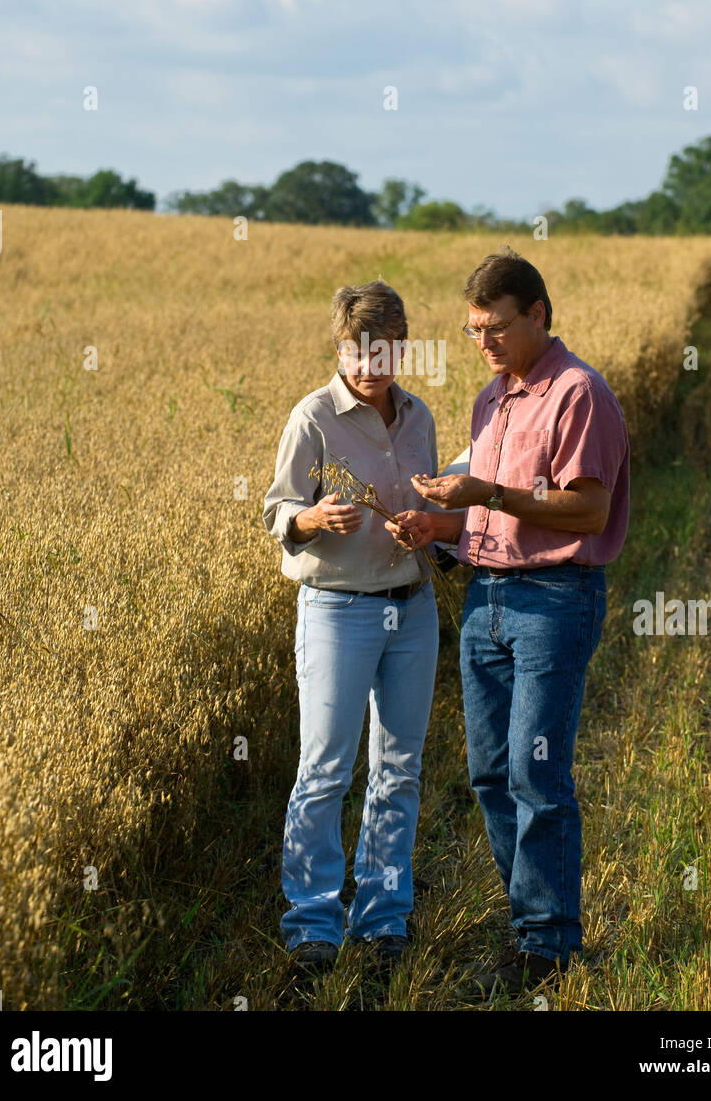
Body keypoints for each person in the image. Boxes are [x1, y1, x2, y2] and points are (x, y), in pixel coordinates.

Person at [386, 247, 630, 997]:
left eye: (494, 327)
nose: (484, 342)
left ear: (537, 315)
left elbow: (585, 508)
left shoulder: (576, 392)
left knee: (535, 771)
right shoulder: (491, 399)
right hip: (486, 598)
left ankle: (550, 945)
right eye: (471, 331)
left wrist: (486, 490)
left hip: (554, 600)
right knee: (489, 772)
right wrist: (439, 527)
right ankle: (530, 919)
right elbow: (486, 516)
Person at [262, 280, 441, 975]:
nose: (368, 366)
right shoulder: (312, 417)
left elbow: (425, 497)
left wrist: (422, 525)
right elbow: (279, 511)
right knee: (327, 767)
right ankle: (311, 921)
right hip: (337, 608)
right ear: (340, 346)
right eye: (355, 351)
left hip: (412, 606)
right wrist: (314, 519)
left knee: (398, 769)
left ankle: (382, 916)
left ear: (401, 346)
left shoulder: (417, 417)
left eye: (383, 351)